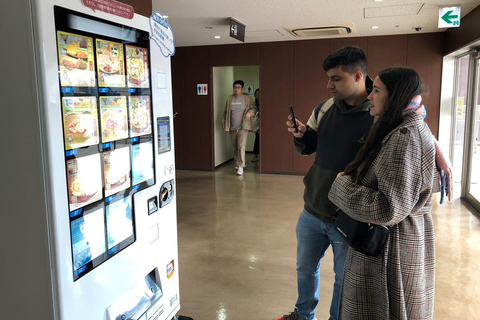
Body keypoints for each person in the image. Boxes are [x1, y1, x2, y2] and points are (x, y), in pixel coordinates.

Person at [278, 46, 452, 320]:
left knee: (344, 280)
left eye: (336, 78)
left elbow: (414, 119)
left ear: (358, 76)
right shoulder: (324, 108)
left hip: (350, 217)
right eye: (328, 78)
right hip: (313, 208)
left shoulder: (380, 115)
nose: (329, 85)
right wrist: (301, 135)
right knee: (305, 268)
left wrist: (438, 151)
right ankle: (303, 315)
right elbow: (309, 147)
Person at [328, 67, 436, 319]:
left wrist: (341, 186)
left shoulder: (405, 138)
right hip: (389, 242)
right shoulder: (404, 128)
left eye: (376, 90)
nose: (369, 96)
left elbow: (388, 209)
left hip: (387, 249)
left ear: (396, 95)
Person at [222, 80, 257, 175]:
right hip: (232, 127)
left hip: (243, 126)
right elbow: (225, 112)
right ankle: (239, 163)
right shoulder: (230, 98)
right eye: (235, 87)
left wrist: (250, 113)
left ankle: (241, 166)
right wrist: (223, 122)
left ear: (242, 89)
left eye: (238, 87)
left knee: (241, 146)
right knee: (236, 146)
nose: (236, 89)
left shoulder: (247, 98)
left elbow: (254, 108)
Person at [252, 88, 260, 162]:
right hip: (256, 125)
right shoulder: (255, 104)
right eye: (256, 94)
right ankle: (255, 155)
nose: (258, 96)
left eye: (259, 94)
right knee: (257, 139)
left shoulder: (264, 102)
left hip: (262, 124)